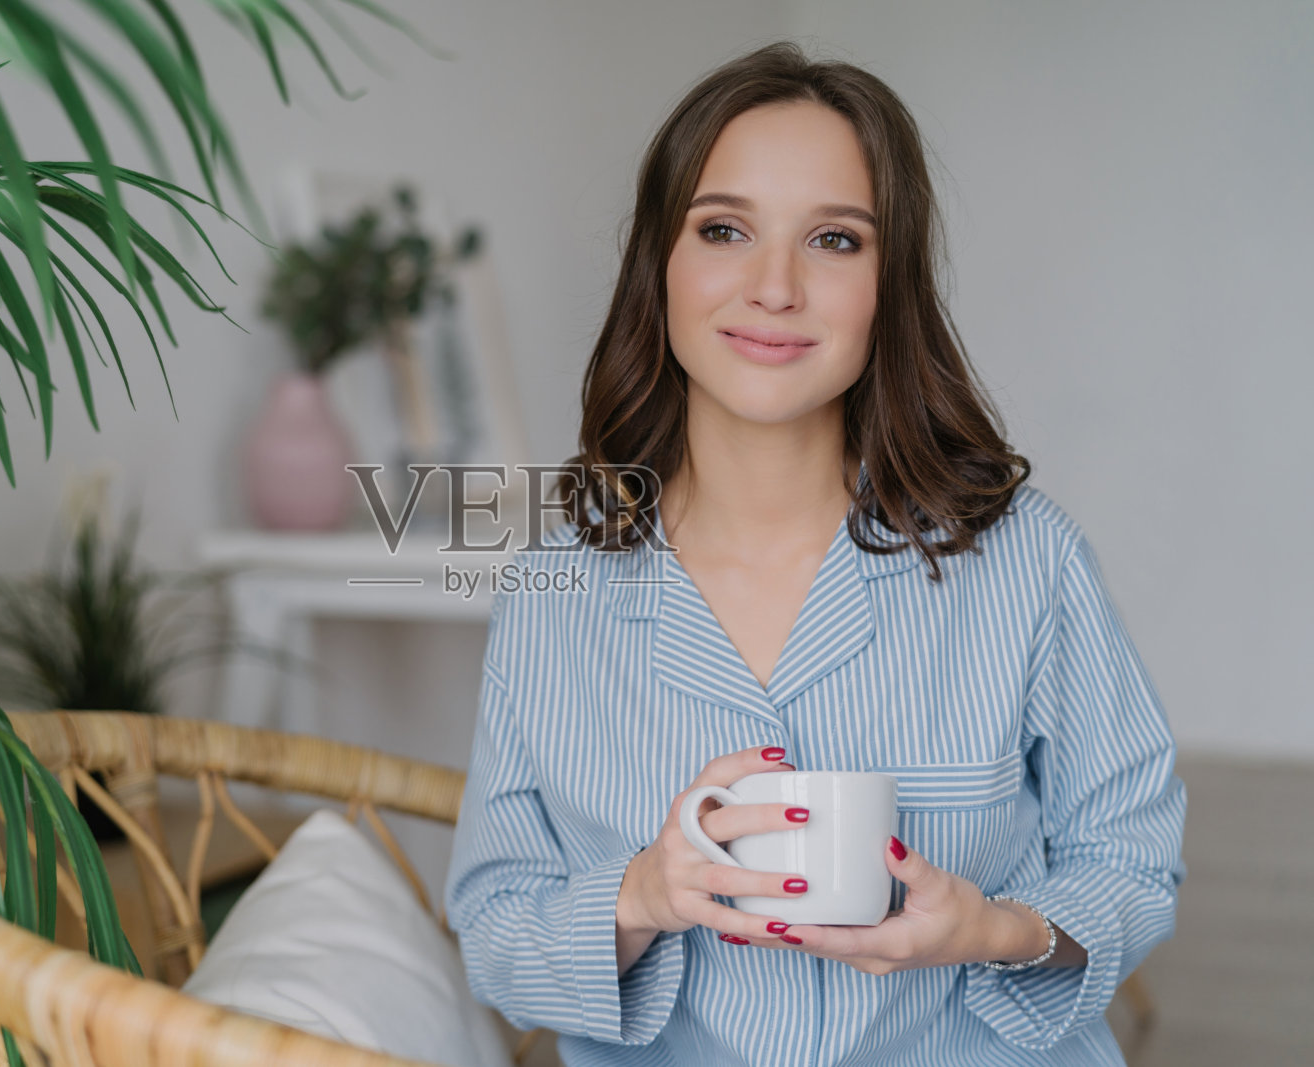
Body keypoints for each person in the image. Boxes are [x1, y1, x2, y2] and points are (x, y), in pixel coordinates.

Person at [442, 39, 1188, 1067]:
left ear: (889, 285)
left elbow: (1131, 861)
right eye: (724, 229)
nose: (774, 285)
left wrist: (989, 927)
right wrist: (644, 893)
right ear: (658, 264)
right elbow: (494, 926)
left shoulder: (1025, 560)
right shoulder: (552, 589)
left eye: (834, 239)